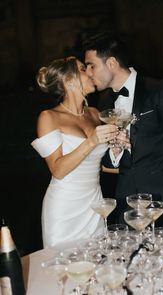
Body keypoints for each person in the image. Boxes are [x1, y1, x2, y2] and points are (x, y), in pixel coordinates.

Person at [83, 31, 163, 229]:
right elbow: (108, 160)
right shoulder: (104, 101)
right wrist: (115, 152)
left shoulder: (160, 90)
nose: (88, 72)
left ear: (111, 63)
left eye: (91, 65)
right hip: (126, 201)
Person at [31, 56, 118, 248]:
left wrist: (120, 149)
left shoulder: (95, 113)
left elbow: (103, 164)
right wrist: (92, 141)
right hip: (65, 207)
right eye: (83, 69)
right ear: (69, 80)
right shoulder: (49, 117)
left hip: (96, 205)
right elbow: (58, 170)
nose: (90, 71)